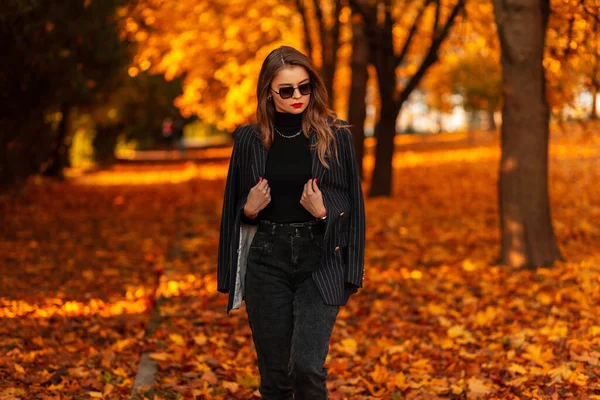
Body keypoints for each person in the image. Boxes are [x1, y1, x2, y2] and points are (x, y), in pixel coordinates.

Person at [217, 45, 366, 400]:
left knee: (307, 368)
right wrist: (249, 209)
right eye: (286, 90)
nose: (297, 96)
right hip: (267, 259)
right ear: (268, 92)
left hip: (320, 257)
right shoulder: (249, 140)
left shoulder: (336, 135)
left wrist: (323, 211)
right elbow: (233, 207)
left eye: (304, 87)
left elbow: (354, 206)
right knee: (275, 376)